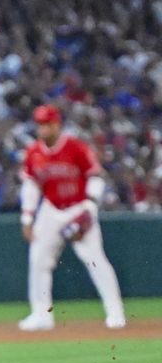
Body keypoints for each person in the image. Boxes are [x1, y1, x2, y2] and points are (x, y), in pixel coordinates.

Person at [18, 104, 125, 331]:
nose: (42, 129)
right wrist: (27, 218)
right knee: (38, 261)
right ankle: (41, 315)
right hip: (51, 209)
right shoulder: (34, 152)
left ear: (57, 124)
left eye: (47, 124)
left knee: (95, 261)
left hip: (79, 208)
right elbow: (31, 186)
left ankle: (115, 313)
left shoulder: (76, 147)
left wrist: (89, 209)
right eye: (40, 124)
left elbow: (96, 178)